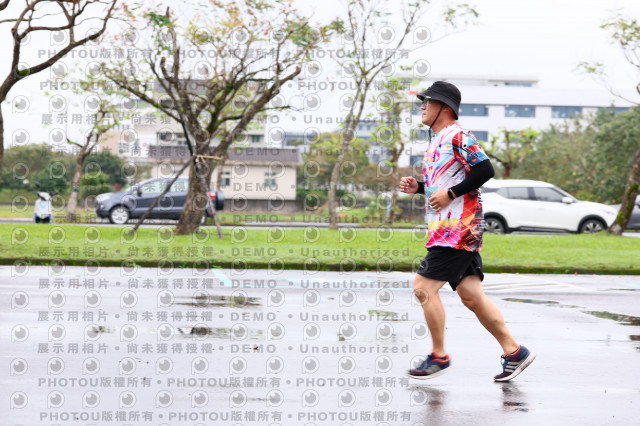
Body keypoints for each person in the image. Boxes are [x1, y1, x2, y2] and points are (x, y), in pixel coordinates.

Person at [400, 81, 535, 382]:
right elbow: (445, 185)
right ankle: (514, 351)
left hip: (458, 229)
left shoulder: (458, 135)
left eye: (428, 101)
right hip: (447, 228)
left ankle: (439, 356)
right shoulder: (437, 140)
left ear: (445, 108)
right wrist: (419, 188)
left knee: (423, 287)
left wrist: (450, 194)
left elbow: (485, 170)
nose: (422, 106)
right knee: (471, 296)